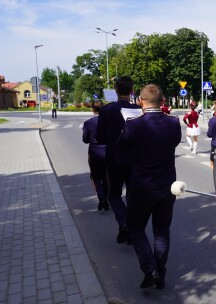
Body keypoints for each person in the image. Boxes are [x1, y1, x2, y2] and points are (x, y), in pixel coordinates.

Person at [117, 84, 181, 290]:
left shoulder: (133, 125)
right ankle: (160, 274)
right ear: (163, 102)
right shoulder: (173, 123)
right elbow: (173, 143)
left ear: (140, 102)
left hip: (141, 187)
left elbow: (120, 147)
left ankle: (149, 267)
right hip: (167, 187)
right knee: (162, 231)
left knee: (135, 228)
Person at [96, 75, 141, 244]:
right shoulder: (138, 110)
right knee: (132, 194)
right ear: (132, 91)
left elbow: (100, 138)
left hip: (114, 159)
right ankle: (132, 225)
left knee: (114, 194)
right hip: (134, 159)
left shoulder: (107, 110)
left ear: (116, 90)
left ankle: (124, 222)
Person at [82, 101, 108, 211]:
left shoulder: (88, 123)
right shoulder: (109, 122)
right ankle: (106, 198)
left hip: (94, 153)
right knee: (106, 177)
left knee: (96, 177)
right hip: (108, 152)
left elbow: (85, 139)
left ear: (93, 109)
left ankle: (102, 199)